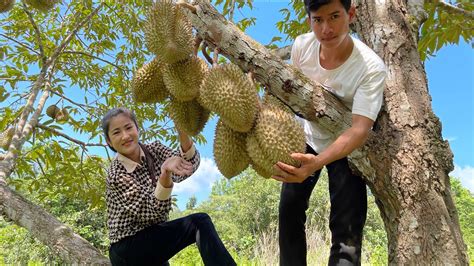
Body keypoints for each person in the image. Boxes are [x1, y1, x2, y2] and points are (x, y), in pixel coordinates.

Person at [271, 0, 387, 265]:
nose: (326, 28)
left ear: (351, 14)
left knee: (346, 227)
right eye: (318, 20)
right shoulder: (302, 46)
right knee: (289, 211)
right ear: (309, 20)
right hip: (308, 136)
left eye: (334, 17)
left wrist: (318, 163)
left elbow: (360, 129)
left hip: (348, 147)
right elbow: (292, 92)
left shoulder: (370, 67)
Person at [103, 107, 236, 265]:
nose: (125, 136)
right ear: (109, 141)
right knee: (200, 222)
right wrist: (165, 174)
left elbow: (188, 166)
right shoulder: (116, 174)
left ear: (137, 129)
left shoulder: (154, 149)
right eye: (116, 132)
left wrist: (182, 132)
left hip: (154, 238)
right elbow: (153, 212)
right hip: (127, 249)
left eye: (128, 127)